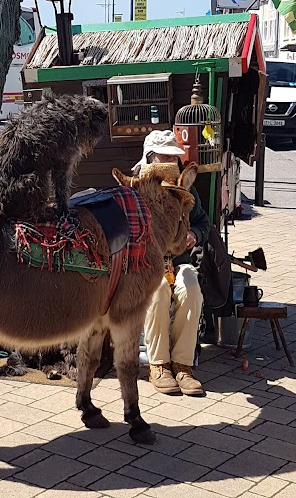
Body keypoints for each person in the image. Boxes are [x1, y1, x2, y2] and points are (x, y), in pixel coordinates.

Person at [133, 129, 211, 396]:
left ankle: (182, 365)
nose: (171, 163)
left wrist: (193, 234)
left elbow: (203, 221)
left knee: (191, 288)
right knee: (158, 292)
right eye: (164, 157)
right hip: (147, 265)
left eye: (173, 157)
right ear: (150, 158)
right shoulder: (135, 188)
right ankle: (158, 365)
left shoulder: (184, 187)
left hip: (178, 261)